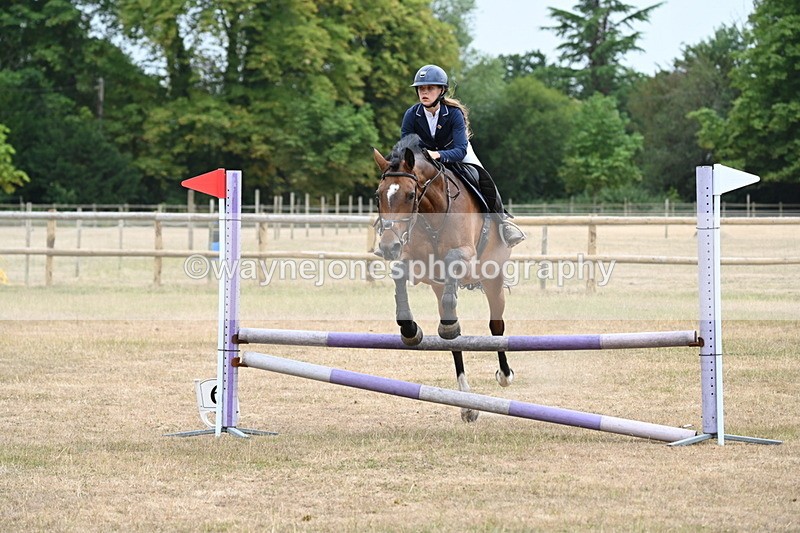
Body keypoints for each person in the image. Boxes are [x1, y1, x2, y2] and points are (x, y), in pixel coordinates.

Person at [400, 64, 526, 247]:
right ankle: (393, 231)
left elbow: (460, 150)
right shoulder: (411, 114)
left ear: (441, 90)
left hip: (456, 153)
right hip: (424, 160)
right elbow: (406, 146)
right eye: (421, 88)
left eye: (430, 88)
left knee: (481, 175)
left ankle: (503, 224)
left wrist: (438, 155)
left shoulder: (453, 113)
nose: (424, 92)